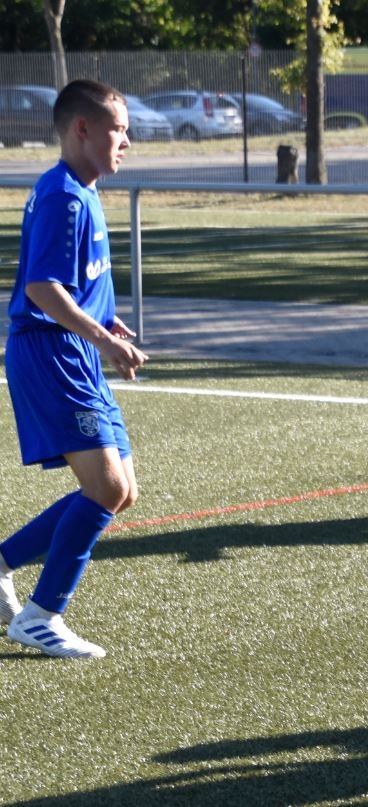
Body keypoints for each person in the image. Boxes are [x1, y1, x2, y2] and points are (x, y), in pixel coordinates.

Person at [0, 79, 146, 660]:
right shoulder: (64, 194)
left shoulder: (79, 189)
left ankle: (2, 563)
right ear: (83, 129)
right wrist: (101, 339)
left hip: (73, 349)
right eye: (119, 130)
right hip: (52, 352)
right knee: (105, 487)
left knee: (121, 491)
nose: (126, 142)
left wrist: (103, 322)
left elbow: (71, 282)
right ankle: (41, 616)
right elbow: (42, 288)